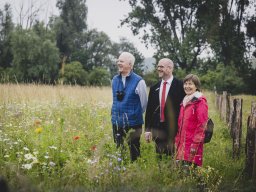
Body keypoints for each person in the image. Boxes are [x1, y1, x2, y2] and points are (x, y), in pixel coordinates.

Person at [145, 58, 185, 158]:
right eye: (158, 66)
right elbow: (149, 110)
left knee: (173, 157)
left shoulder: (181, 86)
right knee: (160, 158)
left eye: (161, 67)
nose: (158, 68)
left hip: (175, 129)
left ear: (170, 68)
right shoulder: (154, 88)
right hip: (157, 129)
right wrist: (147, 129)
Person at [111, 52, 147, 162]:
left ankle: (135, 172)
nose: (118, 63)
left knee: (134, 151)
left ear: (130, 65)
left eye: (121, 61)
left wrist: (132, 114)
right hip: (117, 122)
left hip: (133, 123)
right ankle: (121, 172)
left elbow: (144, 104)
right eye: (118, 61)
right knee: (119, 149)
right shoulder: (114, 80)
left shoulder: (139, 81)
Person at [175, 74, 208, 167]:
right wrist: (177, 141)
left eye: (190, 84)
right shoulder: (184, 101)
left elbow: (202, 124)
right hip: (182, 144)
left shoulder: (200, 101)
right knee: (181, 172)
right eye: (185, 84)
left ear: (196, 86)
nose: (187, 86)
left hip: (193, 144)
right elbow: (180, 125)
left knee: (191, 173)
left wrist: (195, 143)